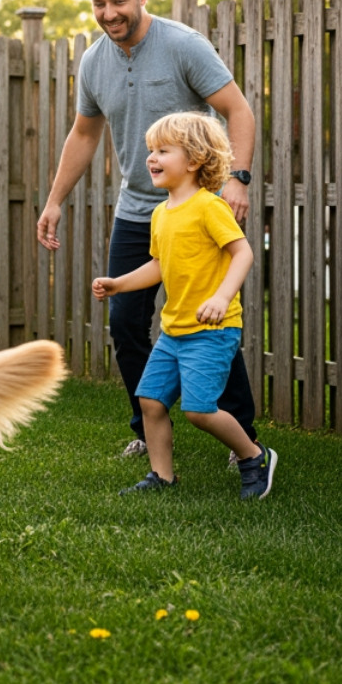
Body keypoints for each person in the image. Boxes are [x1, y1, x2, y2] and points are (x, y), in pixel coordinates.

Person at [36, 0, 260, 463]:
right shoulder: (94, 61)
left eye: (118, 0)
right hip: (138, 211)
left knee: (211, 318)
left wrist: (238, 180)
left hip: (195, 210)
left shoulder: (183, 46)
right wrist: (54, 201)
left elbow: (237, 109)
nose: (109, 12)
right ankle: (147, 428)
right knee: (126, 321)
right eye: (98, 3)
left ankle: (240, 434)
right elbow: (85, 133)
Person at [92, 112, 276, 500]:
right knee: (150, 401)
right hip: (174, 330)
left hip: (212, 330)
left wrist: (222, 296)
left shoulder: (210, 207)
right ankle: (162, 475)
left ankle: (254, 456)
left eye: (162, 150)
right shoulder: (161, 213)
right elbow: (160, 265)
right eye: (150, 151)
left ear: (193, 161)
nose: (151, 158)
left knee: (199, 409)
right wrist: (119, 284)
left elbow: (242, 253)